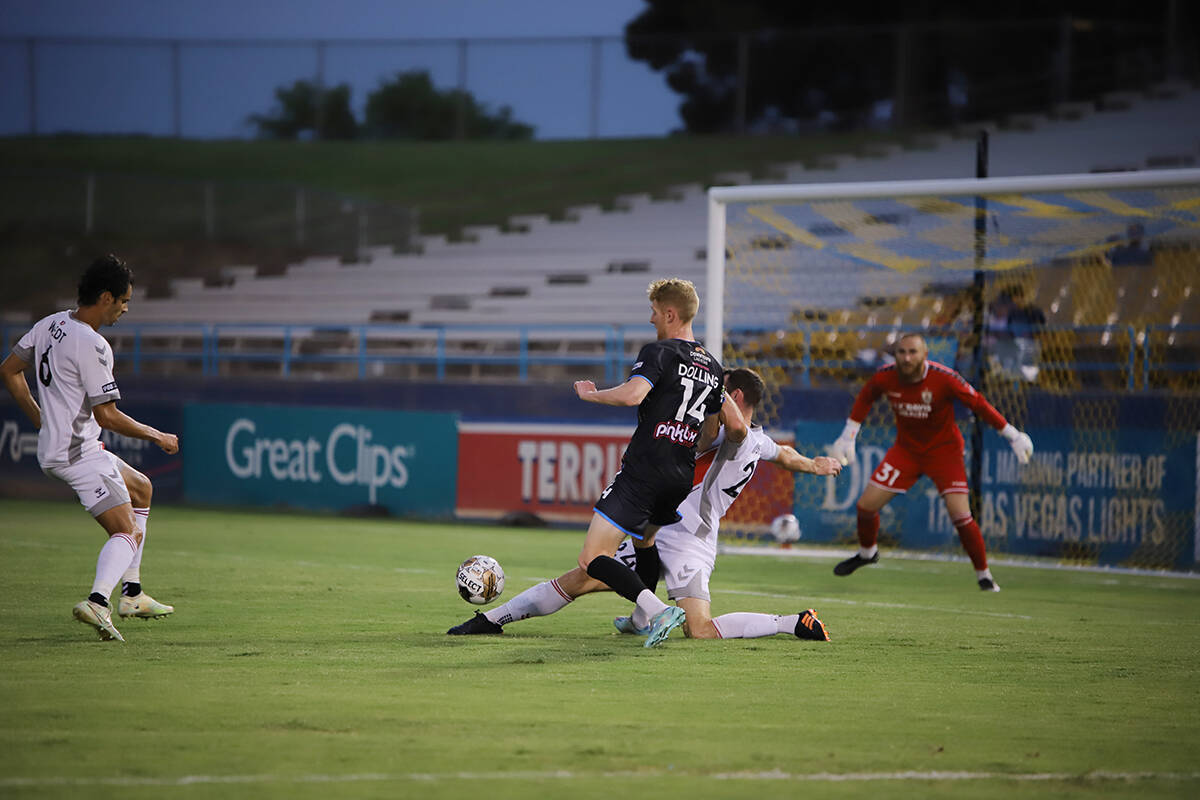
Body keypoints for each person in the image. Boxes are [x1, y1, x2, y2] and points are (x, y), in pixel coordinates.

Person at [448, 367, 844, 642]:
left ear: (734, 396)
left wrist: (710, 385)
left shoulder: (739, 437)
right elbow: (785, 454)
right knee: (583, 575)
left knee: (700, 630)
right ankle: (492, 619)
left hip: (691, 542)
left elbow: (738, 428)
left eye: (719, 390)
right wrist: (812, 464)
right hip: (663, 526)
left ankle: (790, 622)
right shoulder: (758, 439)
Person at [1, 255, 180, 642]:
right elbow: (108, 416)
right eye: (123, 300)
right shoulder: (93, 344)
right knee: (128, 532)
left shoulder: (49, 324)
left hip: (60, 446)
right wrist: (157, 436)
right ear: (105, 297)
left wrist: (39, 419)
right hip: (77, 453)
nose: (125, 308)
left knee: (141, 488)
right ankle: (99, 601)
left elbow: (9, 370)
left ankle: (131, 594)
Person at [828, 332, 1033, 591]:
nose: (906, 357)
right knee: (865, 507)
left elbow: (978, 404)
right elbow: (867, 396)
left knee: (961, 515)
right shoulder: (885, 376)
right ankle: (868, 553)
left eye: (912, 352)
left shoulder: (944, 378)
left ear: (925, 355)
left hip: (944, 453)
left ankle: (984, 575)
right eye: (901, 352)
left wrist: (1012, 435)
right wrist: (848, 435)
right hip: (906, 452)